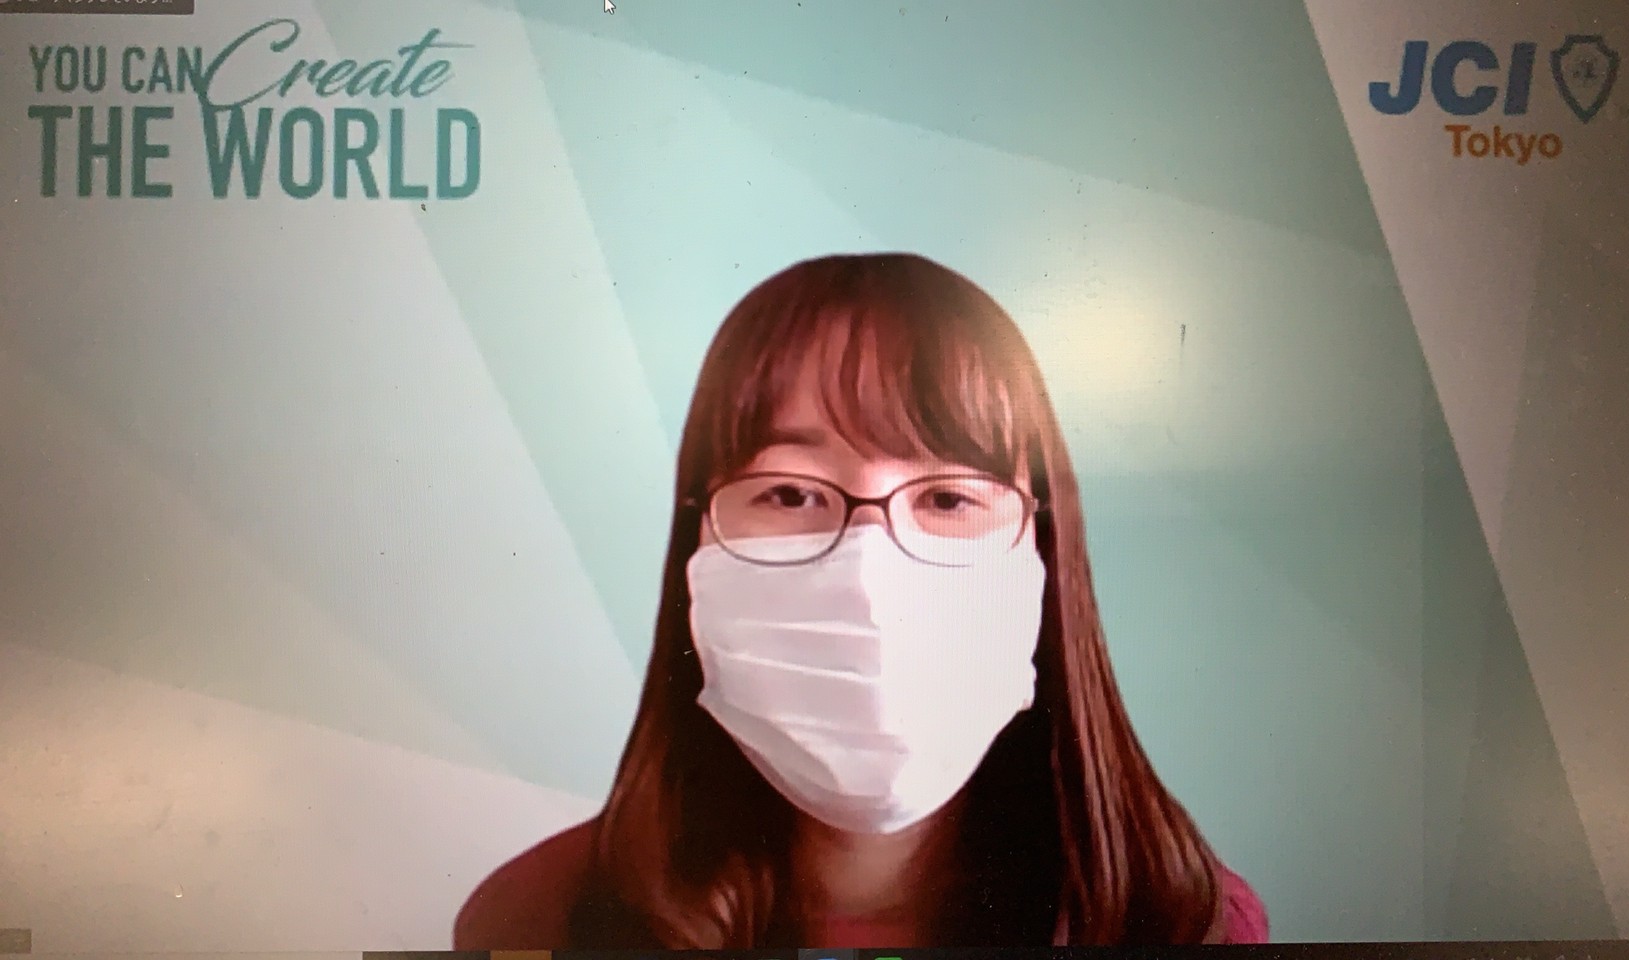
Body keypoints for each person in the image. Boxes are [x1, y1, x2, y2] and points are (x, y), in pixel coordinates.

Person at [455, 253, 1269, 949]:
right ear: (697, 541)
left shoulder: (1187, 923)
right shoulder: (536, 919)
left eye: (948, 498)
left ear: (1042, 552)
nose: (867, 577)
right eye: (788, 492)